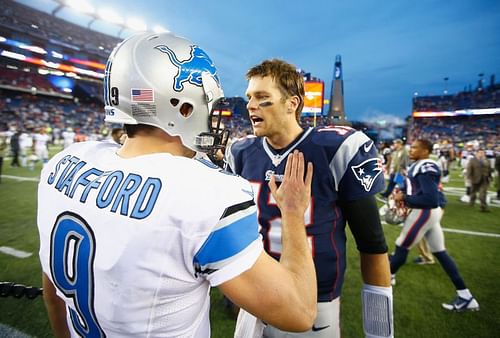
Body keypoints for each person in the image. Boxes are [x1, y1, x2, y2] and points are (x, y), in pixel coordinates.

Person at [37, 32, 317, 338]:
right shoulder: (205, 193)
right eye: (207, 106)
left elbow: (54, 295)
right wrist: (291, 212)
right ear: (184, 109)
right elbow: (299, 312)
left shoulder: (63, 165)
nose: (211, 117)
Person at [225, 59, 393, 338]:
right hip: (256, 296)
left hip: (317, 301)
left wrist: (380, 331)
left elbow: (372, 245)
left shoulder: (338, 149)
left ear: (292, 103)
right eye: (250, 98)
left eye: (263, 98)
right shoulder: (240, 152)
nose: (251, 106)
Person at [390, 138, 479, 311]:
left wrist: (405, 199)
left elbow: (429, 199)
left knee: (401, 246)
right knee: (440, 252)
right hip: (429, 212)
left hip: (424, 212)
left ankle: (387, 277)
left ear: (425, 151)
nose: (411, 150)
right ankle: (466, 296)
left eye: (415, 147)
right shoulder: (419, 164)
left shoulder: (426, 166)